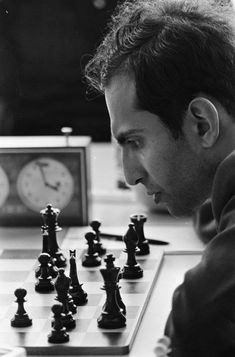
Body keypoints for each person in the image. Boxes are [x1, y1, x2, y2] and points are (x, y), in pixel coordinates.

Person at [85, 0, 235, 355]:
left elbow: (200, 314)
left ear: (202, 123)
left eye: (135, 141)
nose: (129, 175)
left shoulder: (202, 308)